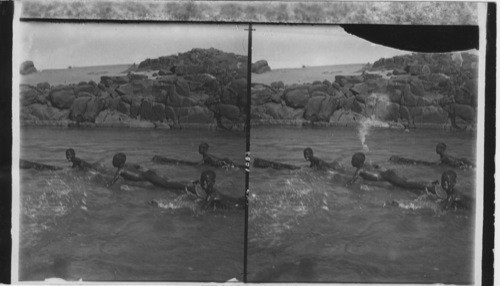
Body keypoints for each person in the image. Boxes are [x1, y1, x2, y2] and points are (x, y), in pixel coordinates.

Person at [346, 152, 437, 195]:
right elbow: (376, 166)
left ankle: (430, 187)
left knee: (406, 184)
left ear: (357, 161)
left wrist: (342, 186)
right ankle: (430, 182)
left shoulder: (359, 170)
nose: (351, 161)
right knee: (406, 183)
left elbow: (351, 182)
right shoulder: (366, 165)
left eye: (353, 159)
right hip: (387, 173)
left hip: (387, 176)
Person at [386, 170, 472, 211]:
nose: (445, 184)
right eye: (444, 181)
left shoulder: (454, 194)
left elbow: (442, 210)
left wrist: (409, 206)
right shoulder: (446, 191)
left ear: (454, 183)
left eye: (448, 182)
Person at [106, 153, 189, 194]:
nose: (112, 161)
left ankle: (188, 188)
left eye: (114, 160)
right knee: (167, 183)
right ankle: (188, 184)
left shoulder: (120, 170)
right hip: (147, 174)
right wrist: (149, 171)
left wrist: (105, 186)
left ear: (118, 162)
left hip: (146, 177)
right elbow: (139, 166)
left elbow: (112, 182)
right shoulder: (128, 164)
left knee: (167, 185)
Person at [389, 142, 473, 169]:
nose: (435, 149)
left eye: (437, 148)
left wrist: (419, 164)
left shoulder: (444, 157)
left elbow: (434, 165)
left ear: (441, 149)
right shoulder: (444, 156)